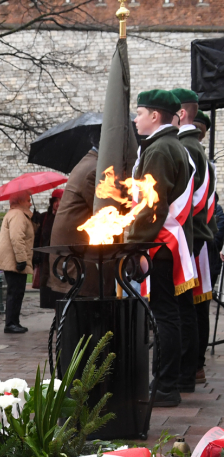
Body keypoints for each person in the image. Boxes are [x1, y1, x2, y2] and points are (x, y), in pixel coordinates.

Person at [126, 89, 193, 408]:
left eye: (139, 113)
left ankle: (165, 386)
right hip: (165, 242)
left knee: (164, 315)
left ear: (154, 116)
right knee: (170, 313)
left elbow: (152, 205)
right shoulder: (169, 145)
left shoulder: (159, 149)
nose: (136, 119)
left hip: (159, 244)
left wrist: (135, 244)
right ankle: (168, 382)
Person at [174, 89, 214, 385]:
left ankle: (189, 366)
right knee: (192, 305)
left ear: (182, 113)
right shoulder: (191, 146)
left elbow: (188, 199)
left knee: (186, 305)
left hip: (189, 234)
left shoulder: (186, 147)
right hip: (196, 233)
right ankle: (193, 365)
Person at [49, 148, 98, 297]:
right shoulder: (93, 169)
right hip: (76, 256)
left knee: (72, 303)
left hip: (71, 255)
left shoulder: (87, 164)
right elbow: (104, 210)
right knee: (80, 302)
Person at [0, 191, 35, 334]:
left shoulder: (18, 214)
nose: (30, 203)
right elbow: (17, 238)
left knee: (17, 291)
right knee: (15, 292)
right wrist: (21, 259)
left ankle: (14, 322)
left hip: (13, 259)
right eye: (28, 200)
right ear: (20, 201)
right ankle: (11, 323)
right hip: (14, 260)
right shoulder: (18, 214)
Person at [32, 188, 63, 309]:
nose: (58, 203)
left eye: (60, 200)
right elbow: (38, 237)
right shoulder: (45, 217)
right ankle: (56, 314)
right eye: (56, 200)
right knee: (50, 290)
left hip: (61, 259)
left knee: (61, 289)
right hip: (46, 260)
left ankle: (60, 314)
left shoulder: (66, 216)